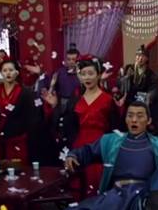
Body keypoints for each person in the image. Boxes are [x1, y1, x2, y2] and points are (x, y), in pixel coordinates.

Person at [44, 56, 119, 197]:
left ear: (98, 75)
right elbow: (66, 124)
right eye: (83, 74)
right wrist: (55, 106)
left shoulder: (108, 99)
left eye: (90, 73)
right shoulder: (76, 99)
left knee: (100, 186)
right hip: (79, 146)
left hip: (101, 146)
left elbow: (115, 128)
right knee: (79, 188)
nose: (87, 77)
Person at [0, 58, 38, 164]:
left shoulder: (25, 93)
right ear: (0, 73)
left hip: (17, 140)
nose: (8, 73)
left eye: (11, 70)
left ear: (16, 72)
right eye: (4, 70)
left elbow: (31, 119)